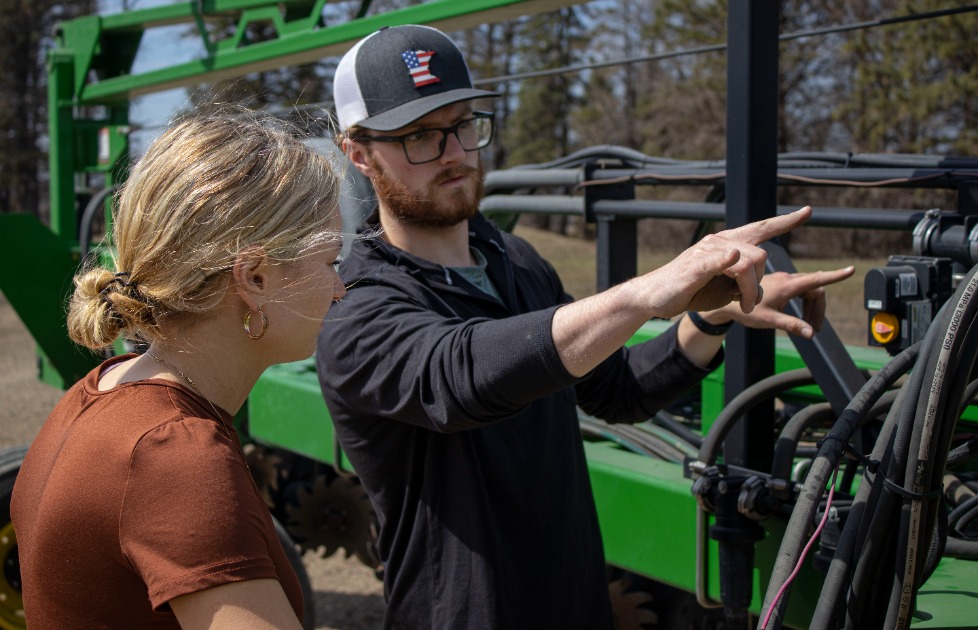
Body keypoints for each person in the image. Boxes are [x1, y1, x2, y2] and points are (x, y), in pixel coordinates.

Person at [317, 24, 856, 629]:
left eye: (463, 125)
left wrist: (713, 315)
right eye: (419, 136)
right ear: (358, 153)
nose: (453, 152)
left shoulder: (516, 261)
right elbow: (458, 376)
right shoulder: (357, 306)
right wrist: (642, 294)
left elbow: (617, 389)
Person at [11, 106, 347, 629]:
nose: (339, 288)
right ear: (255, 278)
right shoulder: (176, 457)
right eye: (330, 262)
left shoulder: (101, 391)